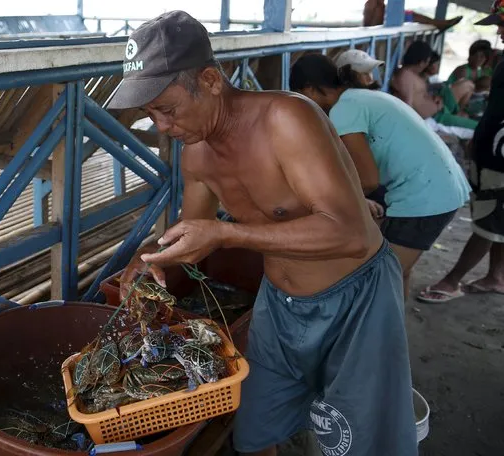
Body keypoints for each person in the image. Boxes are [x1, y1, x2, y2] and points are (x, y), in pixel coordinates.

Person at [111, 11, 418, 456]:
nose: (161, 126)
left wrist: (226, 233)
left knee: (359, 442)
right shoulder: (195, 154)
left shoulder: (286, 119)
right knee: (255, 432)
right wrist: (149, 258)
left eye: (167, 109)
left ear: (212, 80)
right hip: (278, 307)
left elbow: (350, 233)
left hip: (356, 299)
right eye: (150, 113)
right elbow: (190, 238)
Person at [290, 53, 471, 299]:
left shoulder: (344, 109)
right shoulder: (363, 98)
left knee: (380, 279)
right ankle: (398, 333)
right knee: (396, 272)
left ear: (310, 88)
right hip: (444, 185)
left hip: (424, 196)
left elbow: (367, 180)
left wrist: (327, 204)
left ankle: (380, 335)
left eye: (302, 97)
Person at [418, 1, 504, 303]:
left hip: (500, 156)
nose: (499, 30)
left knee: (489, 221)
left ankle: (452, 280)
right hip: (491, 148)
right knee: (497, 219)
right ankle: (496, 276)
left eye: (503, 23)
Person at [392, 41, 478, 130]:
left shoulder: (412, 74)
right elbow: (407, 106)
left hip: (439, 112)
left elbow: (419, 96)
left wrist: (433, 98)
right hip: (436, 119)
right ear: (422, 62)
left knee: (473, 123)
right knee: (477, 127)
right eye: (428, 61)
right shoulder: (405, 75)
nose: (426, 65)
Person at [363, 0, 462, 30]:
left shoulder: (382, 6)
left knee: (410, 14)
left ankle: (438, 23)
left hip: (383, 32)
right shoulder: (372, 4)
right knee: (410, 15)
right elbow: (370, 26)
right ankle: (439, 23)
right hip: (375, 37)